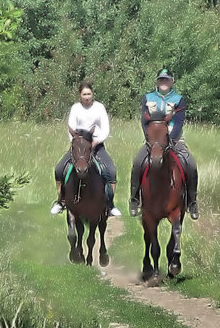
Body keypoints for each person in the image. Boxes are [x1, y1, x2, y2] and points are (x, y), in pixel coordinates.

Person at [128, 68, 199, 220]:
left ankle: (192, 202)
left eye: (166, 79)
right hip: (153, 142)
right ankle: (134, 199)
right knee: (138, 162)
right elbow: (144, 121)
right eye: (161, 79)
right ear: (157, 81)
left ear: (172, 81)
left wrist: (170, 141)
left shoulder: (179, 99)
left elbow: (179, 122)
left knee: (190, 164)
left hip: (175, 140)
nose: (164, 82)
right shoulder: (148, 98)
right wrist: (150, 140)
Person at [51, 82, 121, 217]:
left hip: (96, 145)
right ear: (80, 95)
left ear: (92, 94)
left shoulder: (99, 108)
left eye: (89, 94)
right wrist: (77, 143)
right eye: (84, 94)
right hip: (79, 147)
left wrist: (96, 141)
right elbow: (71, 128)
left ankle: (110, 204)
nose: (87, 97)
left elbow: (105, 128)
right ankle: (62, 201)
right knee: (59, 169)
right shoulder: (75, 108)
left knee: (111, 170)